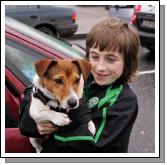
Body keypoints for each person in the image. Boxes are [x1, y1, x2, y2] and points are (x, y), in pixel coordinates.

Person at [19, 17, 140, 153]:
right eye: (94, 57)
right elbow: (33, 90)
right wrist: (31, 122)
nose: (100, 67)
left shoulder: (125, 101)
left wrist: (62, 118)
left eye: (110, 59)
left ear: (128, 62)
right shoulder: (81, 77)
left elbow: (93, 144)